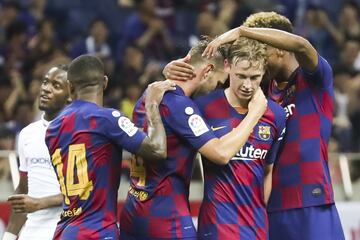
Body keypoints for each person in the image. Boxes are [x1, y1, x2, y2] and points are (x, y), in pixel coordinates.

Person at [173, 11, 344, 240]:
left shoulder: (314, 79)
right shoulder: (264, 90)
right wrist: (172, 74)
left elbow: (302, 47)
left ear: (280, 47)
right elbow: (217, 77)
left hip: (310, 200)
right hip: (268, 207)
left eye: (263, 49)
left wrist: (243, 31)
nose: (259, 58)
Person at [119, 38, 268, 239]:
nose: (217, 88)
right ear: (207, 71)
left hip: (134, 209)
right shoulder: (180, 106)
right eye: (217, 81)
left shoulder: (150, 93)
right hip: (165, 216)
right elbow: (221, 154)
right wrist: (255, 113)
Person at [45, 55, 174, 240]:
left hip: (65, 230)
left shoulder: (52, 128)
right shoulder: (107, 118)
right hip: (96, 230)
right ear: (105, 82)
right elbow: (157, 149)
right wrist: (152, 104)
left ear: (70, 87)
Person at [195, 37, 286, 240]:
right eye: (241, 76)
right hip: (216, 224)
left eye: (255, 77)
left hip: (255, 226)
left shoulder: (276, 115)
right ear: (227, 66)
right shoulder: (203, 107)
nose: (247, 85)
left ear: (263, 72)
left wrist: (260, 211)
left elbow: (267, 171)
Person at [2, 65, 71, 240]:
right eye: (46, 82)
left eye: (56, 86)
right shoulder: (27, 134)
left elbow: (85, 193)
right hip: (31, 232)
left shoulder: (78, 135)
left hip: (66, 230)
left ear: (70, 96)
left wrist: (40, 203)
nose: (46, 88)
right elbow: (24, 189)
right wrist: (9, 236)